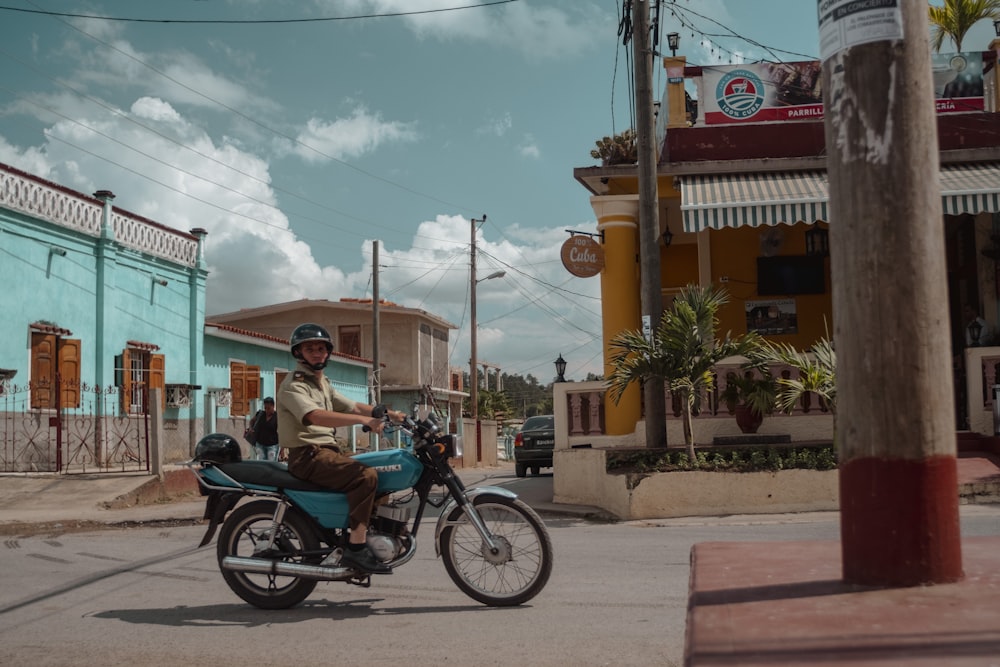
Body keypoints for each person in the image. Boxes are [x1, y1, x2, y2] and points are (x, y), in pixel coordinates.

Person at [276, 323, 405, 575]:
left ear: (328, 353)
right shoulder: (294, 384)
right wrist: (364, 421)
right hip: (307, 455)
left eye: (321, 348)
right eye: (310, 348)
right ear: (298, 353)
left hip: (327, 453)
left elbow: (353, 406)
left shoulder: (322, 384)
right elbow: (316, 416)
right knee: (365, 476)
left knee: (383, 470)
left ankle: (371, 532)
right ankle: (356, 549)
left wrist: (394, 414)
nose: (316, 353)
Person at [251, 397, 279, 461]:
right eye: (265, 408)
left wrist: (282, 448)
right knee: (262, 463)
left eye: (268, 408)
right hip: (260, 444)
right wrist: (251, 428)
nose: (267, 410)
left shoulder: (277, 417)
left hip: (272, 446)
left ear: (273, 406)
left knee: (271, 464)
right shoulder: (261, 414)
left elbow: (281, 432)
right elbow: (252, 421)